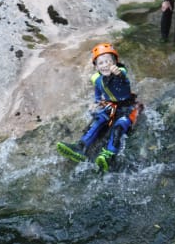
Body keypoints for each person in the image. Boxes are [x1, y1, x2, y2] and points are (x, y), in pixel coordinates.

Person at [56, 43, 142, 173]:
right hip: (111, 106)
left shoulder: (120, 72)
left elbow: (122, 75)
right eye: (101, 63)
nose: (105, 65)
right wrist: (95, 103)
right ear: (96, 66)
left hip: (127, 107)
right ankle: (81, 147)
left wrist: (117, 73)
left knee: (119, 126)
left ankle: (109, 155)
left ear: (115, 62)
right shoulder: (96, 78)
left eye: (109, 61)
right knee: (99, 121)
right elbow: (98, 93)